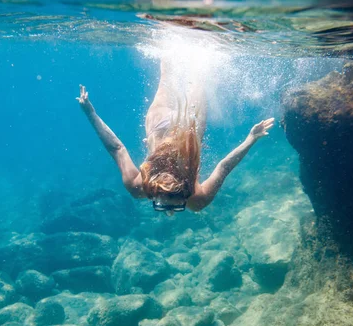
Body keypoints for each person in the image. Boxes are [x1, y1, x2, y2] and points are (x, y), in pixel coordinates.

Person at [77, 60, 274, 216]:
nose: (170, 212)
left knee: (178, 77)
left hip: (184, 126)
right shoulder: (139, 188)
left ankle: (171, 38)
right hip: (163, 124)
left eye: (162, 206)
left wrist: (90, 113)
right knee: (180, 77)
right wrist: (251, 138)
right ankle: (184, 44)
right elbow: (117, 149)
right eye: (177, 207)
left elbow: (224, 167)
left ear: (156, 193)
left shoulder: (196, 200)